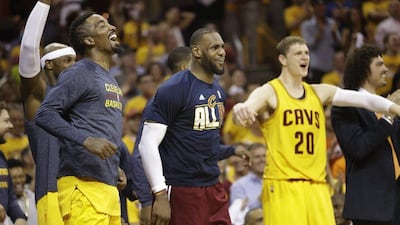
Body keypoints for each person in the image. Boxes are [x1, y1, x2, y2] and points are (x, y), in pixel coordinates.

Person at [232, 36, 400, 225]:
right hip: (284, 183)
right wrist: (241, 107)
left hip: (317, 185)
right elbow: (252, 102)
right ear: (283, 60)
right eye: (298, 53)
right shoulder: (271, 91)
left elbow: (365, 99)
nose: (305, 57)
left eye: (307, 53)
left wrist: (394, 109)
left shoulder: (319, 91)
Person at [137, 28, 250, 225]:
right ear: (197, 52)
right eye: (215, 47)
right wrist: (160, 195)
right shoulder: (173, 88)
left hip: (213, 187)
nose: (222, 52)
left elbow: (203, 143)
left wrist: (232, 150)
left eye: (222, 47)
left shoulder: (218, 91)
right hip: (182, 189)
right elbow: (146, 145)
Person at [35, 11, 124, 225]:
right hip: (82, 187)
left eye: (110, 23)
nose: (112, 27)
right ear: (89, 40)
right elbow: (45, 113)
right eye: (102, 25)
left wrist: (114, 167)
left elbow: (95, 125)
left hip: (106, 186)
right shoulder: (80, 72)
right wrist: (87, 140)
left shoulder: (108, 77)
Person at [18, 0, 76, 224]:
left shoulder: (81, 101)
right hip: (52, 191)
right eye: (67, 61)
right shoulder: (40, 97)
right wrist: (43, 4)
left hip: (86, 191)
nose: (75, 65)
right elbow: (29, 50)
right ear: (49, 65)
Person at [331, 45, 400, 225]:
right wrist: (388, 117)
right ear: (363, 70)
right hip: (371, 207)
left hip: (395, 203)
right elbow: (358, 148)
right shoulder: (345, 106)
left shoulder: (388, 104)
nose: (386, 69)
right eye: (379, 64)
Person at [0, 102, 27, 225]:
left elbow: (10, 199)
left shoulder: (2, 157)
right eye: (6, 121)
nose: (11, 126)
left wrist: (20, 218)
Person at [7, 159, 37, 225]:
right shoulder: (4, 203)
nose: (18, 181)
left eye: (21, 176)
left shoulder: (34, 198)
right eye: (14, 178)